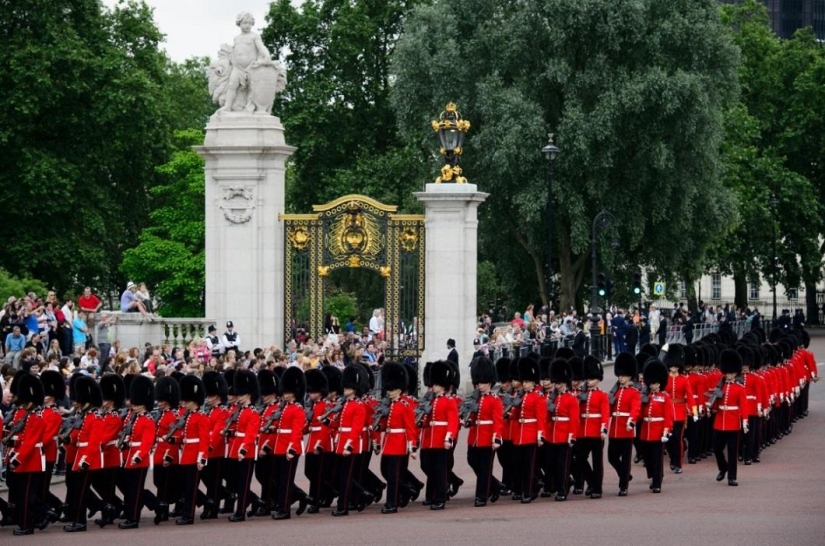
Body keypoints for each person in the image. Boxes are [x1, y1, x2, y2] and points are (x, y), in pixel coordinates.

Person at [419, 361, 459, 510]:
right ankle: (433, 494)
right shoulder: (432, 401)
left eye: (435, 384)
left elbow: (452, 422)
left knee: (440, 470)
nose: (433, 387)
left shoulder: (449, 401)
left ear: (442, 385)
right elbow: (427, 421)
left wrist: (449, 437)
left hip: (441, 439)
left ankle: (440, 498)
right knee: (429, 467)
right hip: (430, 439)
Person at [119, 375, 157, 529]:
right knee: (130, 489)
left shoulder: (147, 419)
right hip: (129, 456)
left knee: (134, 491)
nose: (133, 405)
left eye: (137, 403)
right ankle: (155, 506)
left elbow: (147, 442)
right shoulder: (135, 418)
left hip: (139, 459)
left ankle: (133, 518)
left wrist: (138, 456)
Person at [464, 357, 503, 507]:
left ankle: (482, 495)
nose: (479, 386)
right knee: (472, 461)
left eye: (482, 383)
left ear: (489, 382)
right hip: (474, 436)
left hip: (487, 437)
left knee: (485, 467)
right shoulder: (475, 399)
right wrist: (467, 420)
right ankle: (494, 485)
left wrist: (496, 438)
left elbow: (498, 421)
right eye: (478, 383)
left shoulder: (495, 400)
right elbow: (472, 417)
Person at [219, 12, 273, 112]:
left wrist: (267, 56)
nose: (247, 25)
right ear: (239, 23)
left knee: (252, 88)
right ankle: (228, 106)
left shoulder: (254, 36)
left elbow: (261, 47)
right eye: (245, 23)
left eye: (249, 23)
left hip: (251, 67)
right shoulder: (236, 38)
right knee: (232, 85)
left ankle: (250, 107)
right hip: (237, 67)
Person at [710, 350, 750, 486]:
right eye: (727, 372)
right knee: (716, 448)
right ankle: (723, 467)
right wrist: (710, 405)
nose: (729, 375)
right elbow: (715, 403)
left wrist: (745, 420)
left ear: (735, 373)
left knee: (732, 451)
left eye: (731, 373)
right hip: (719, 421)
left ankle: (732, 477)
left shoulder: (740, 388)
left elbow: (743, 406)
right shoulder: (720, 385)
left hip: (733, 423)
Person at [175, 375, 210, 525]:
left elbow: (204, 440)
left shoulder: (201, 417)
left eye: (187, 401)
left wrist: (202, 458)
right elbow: (185, 435)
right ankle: (205, 504)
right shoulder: (188, 416)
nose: (185, 403)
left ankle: (188, 515)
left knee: (191, 488)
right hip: (186, 454)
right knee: (184, 486)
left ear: (194, 401)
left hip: (195, 455)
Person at [574, 356, 609, 499]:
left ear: (598, 379)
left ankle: (597, 489)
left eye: (592, 378)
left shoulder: (602, 395)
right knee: (580, 458)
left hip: (596, 431)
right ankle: (592, 481)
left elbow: (605, 413)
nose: (589, 381)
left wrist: (604, 428)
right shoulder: (581, 394)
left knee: (597, 462)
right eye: (588, 379)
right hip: (582, 431)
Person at [638, 359, 673, 493]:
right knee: (647, 457)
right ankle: (653, 475)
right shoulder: (645, 396)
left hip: (658, 431)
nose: (652, 385)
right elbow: (640, 414)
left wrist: (666, 431)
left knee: (657, 458)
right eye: (650, 383)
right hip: (645, 429)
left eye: (654, 383)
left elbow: (668, 416)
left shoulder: (665, 397)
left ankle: (657, 483)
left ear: (660, 383)